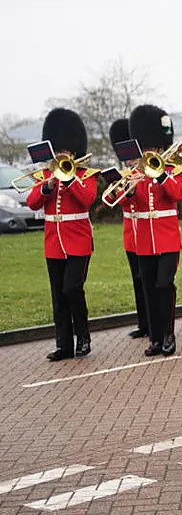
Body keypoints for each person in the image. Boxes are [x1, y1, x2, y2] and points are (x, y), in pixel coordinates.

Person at [27, 108, 98, 361]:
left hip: (78, 241)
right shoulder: (45, 175)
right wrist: (47, 186)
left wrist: (68, 180)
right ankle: (64, 345)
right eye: (58, 151)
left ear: (74, 151)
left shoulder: (85, 175)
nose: (61, 155)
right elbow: (33, 202)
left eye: (65, 152)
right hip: (53, 242)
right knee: (58, 295)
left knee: (72, 289)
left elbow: (87, 199)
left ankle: (84, 337)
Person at [127, 105, 182, 357]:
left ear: (161, 147)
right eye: (147, 147)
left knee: (164, 285)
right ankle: (155, 337)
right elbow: (122, 202)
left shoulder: (173, 170)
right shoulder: (135, 172)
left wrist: (161, 174)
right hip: (144, 241)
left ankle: (169, 333)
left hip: (168, 238)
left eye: (154, 147)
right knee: (149, 289)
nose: (150, 151)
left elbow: (177, 193)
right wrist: (129, 189)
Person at [108, 118, 151, 341]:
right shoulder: (126, 174)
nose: (129, 160)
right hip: (130, 233)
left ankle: (151, 322)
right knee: (136, 279)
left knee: (146, 279)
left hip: (145, 232)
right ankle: (142, 322)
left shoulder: (144, 174)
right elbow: (122, 204)